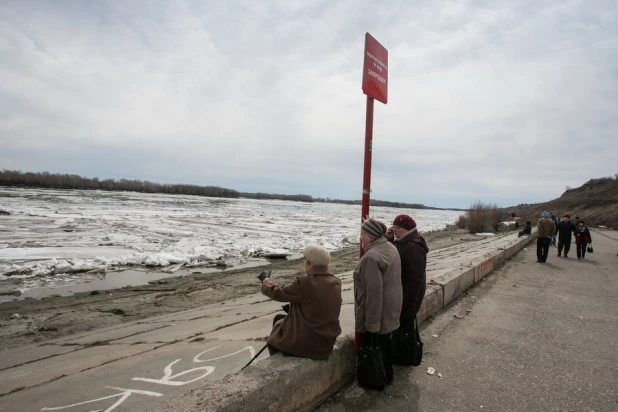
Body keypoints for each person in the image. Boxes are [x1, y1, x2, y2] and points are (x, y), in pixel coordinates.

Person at [260, 245, 342, 359]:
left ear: (310, 263)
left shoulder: (306, 282)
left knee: (278, 324)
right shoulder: (336, 281)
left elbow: (277, 292)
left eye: (305, 260)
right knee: (281, 318)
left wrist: (265, 280)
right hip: (326, 341)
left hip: (309, 343)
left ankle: (280, 357)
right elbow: (319, 305)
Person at [354, 218, 403, 384]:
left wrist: (372, 324)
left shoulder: (371, 257)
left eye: (362, 234)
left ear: (371, 236)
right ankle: (388, 376)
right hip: (391, 309)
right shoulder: (390, 247)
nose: (360, 237)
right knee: (385, 347)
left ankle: (377, 380)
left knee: (376, 349)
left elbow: (374, 294)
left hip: (378, 314)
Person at [386, 214, 428, 331]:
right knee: (403, 331)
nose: (392, 229)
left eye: (395, 227)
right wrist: (390, 239)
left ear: (403, 229)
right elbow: (395, 254)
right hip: (404, 296)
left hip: (407, 300)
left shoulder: (414, 247)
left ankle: (409, 349)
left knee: (405, 331)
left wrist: (408, 306)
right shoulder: (404, 241)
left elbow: (415, 279)